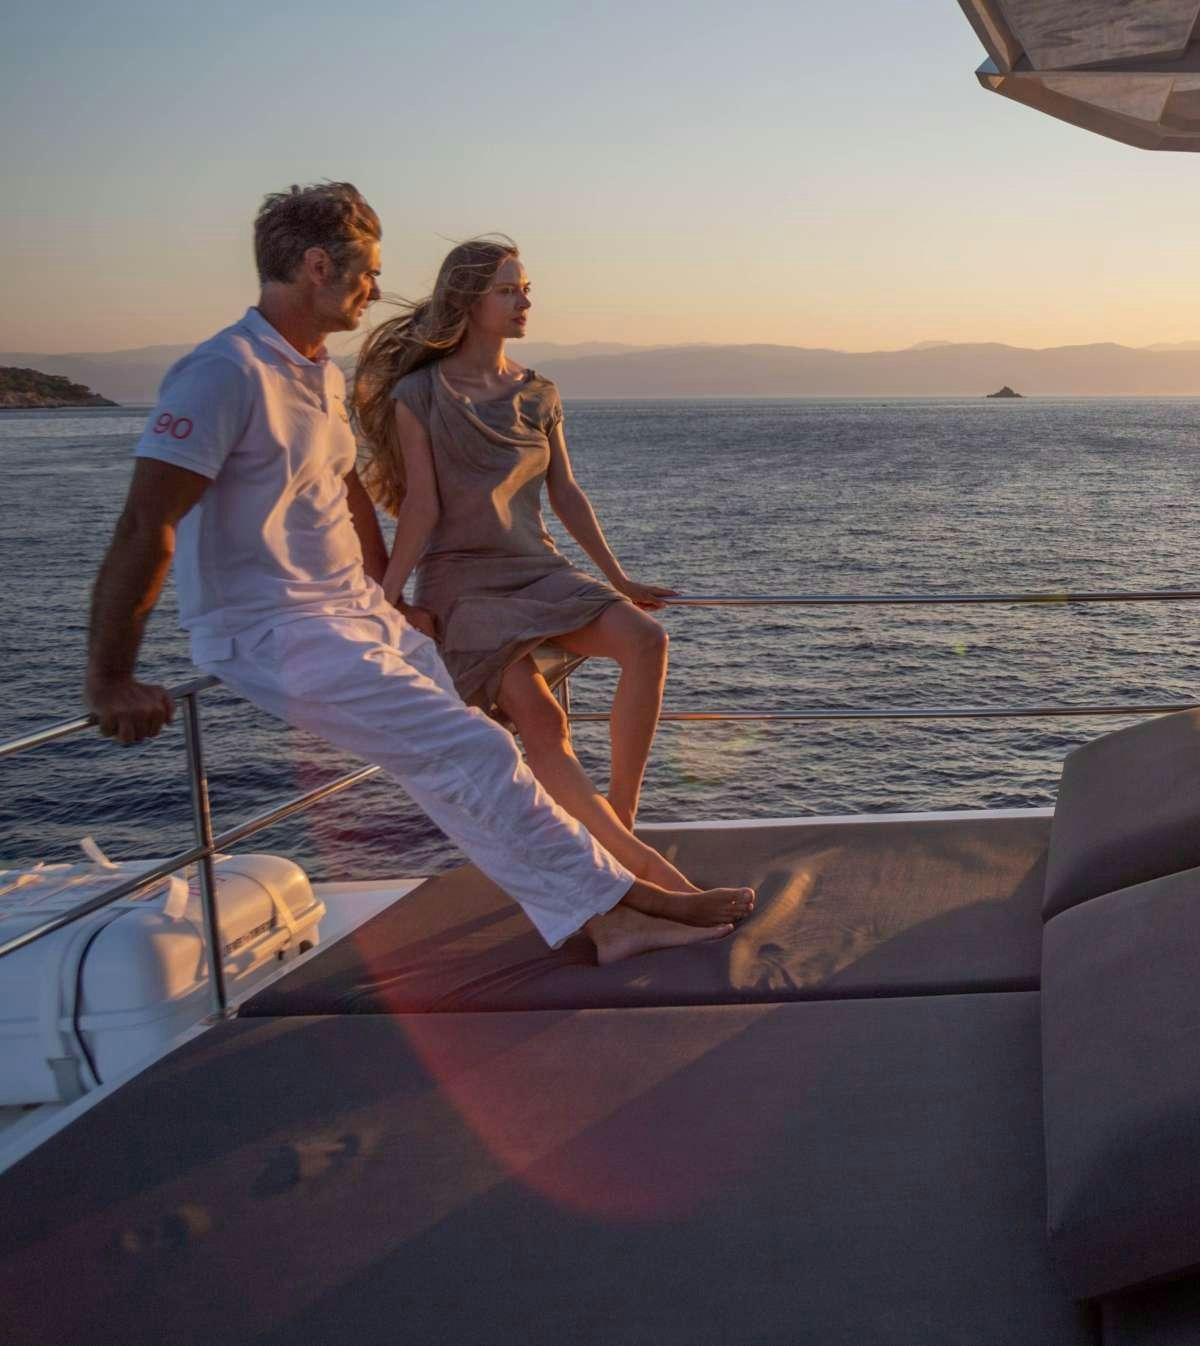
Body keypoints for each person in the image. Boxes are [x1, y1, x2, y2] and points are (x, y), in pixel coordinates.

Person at [82, 182, 754, 964]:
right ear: (315, 266)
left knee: (454, 769)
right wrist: (110, 677)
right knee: (479, 750)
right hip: (273, 630)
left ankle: (602, 911)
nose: (376, 288)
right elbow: (145, 522)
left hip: (353, 615)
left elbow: (344, 492)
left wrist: (382, 595)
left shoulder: (314, 372)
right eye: (365, 270)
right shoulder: (223, 373)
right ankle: (625, 905)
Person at [354, 237, 670, 830]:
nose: (522, 302)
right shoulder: (418, 394)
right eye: (506, 290)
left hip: (538, 570)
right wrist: (388, 598)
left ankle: (622, 821)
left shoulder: (539, 393)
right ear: (468, 300)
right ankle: (606, 858)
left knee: (647, 640)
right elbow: (420, 508)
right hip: (465, 585)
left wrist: (617, 577)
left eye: (525, 290)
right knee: (546, 724)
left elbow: (565, 493)